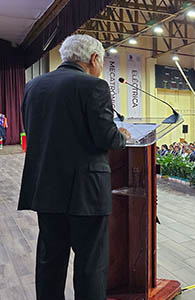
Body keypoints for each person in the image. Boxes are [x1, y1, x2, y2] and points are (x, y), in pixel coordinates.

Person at [18, 35, 128, 300]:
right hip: (85, 193)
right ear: (94, 59)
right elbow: (106, 138)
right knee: (90, 264)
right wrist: (121, 133)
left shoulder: (33, 86)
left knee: (49, 262)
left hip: (45, 188)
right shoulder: (94, 86)